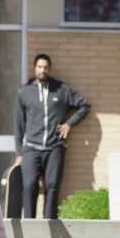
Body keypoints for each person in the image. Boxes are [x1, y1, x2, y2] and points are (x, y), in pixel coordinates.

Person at [14, 54, 91, 219]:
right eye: (40, 67)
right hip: (31, 149)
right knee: (29, 186)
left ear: (50, 69)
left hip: (55, 148)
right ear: (34, 68)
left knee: (52, 186)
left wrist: (69, 124)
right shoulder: (24, 92)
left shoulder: (62, 90)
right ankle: (29, 226)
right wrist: (19, 153)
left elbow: (84, 105)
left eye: (46, 67)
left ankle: (49, 227)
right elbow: (19, 124)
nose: (43, 70)